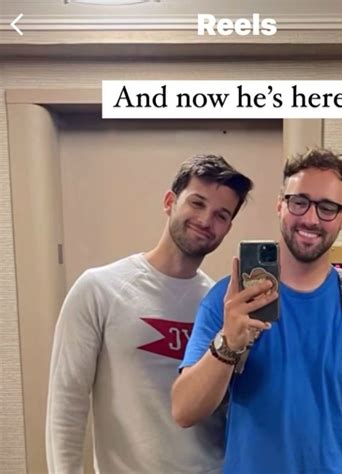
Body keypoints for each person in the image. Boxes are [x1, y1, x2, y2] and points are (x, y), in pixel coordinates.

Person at [172, 148, 342, 474]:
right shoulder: (228, 301)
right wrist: (228, 343)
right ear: (280, 205)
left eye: (327, 208)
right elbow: (184, 411)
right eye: (299, 202)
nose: (311, 219)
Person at [46, 154, 253, 474]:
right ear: (170, 202)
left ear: (227, 228)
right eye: (197, 203)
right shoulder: (99, 289)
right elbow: (66, 405)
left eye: (220, 215)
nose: (205, 220)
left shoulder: (218, 305)